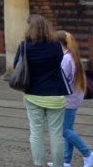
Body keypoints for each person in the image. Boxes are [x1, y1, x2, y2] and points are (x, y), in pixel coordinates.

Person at [15, 14, 66, 167]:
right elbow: (59, 62)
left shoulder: (25, 46)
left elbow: (17, 64)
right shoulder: (56, 45)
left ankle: (39, 164)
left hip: (33, 94)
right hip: (56, 94)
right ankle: (58, 165)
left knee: (36, 133)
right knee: (56, 134)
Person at [55, 30, 93, 167]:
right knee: (68, 129)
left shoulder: (65, 59)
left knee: (64, 130)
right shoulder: (71, 56)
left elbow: (62, 81)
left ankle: (88, 154)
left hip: (68, 99)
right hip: (74, 96)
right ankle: (66, 161)